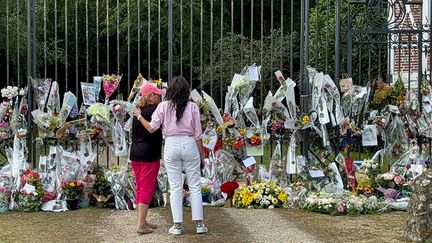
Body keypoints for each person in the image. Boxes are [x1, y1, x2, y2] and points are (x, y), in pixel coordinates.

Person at [134, 76, 208, 235]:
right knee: (194, 185)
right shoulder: (193, 107)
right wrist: (202, 155)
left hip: (171, 144)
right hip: (189, 144)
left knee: (175, 187)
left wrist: (139, 116)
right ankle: (199, 224)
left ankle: (177, 225)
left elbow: (152, 128)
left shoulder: (163, 106)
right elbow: (198, 134)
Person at [130, 83, 163, 235]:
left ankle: (142, 221)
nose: (159, 97)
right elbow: (152, 129)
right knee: (147, 189)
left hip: (136, 153)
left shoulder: (138, 111)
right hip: (149, 154)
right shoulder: (155, 110)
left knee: (140, 187)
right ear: (150, 96)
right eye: (157, 95)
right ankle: (141, 225)